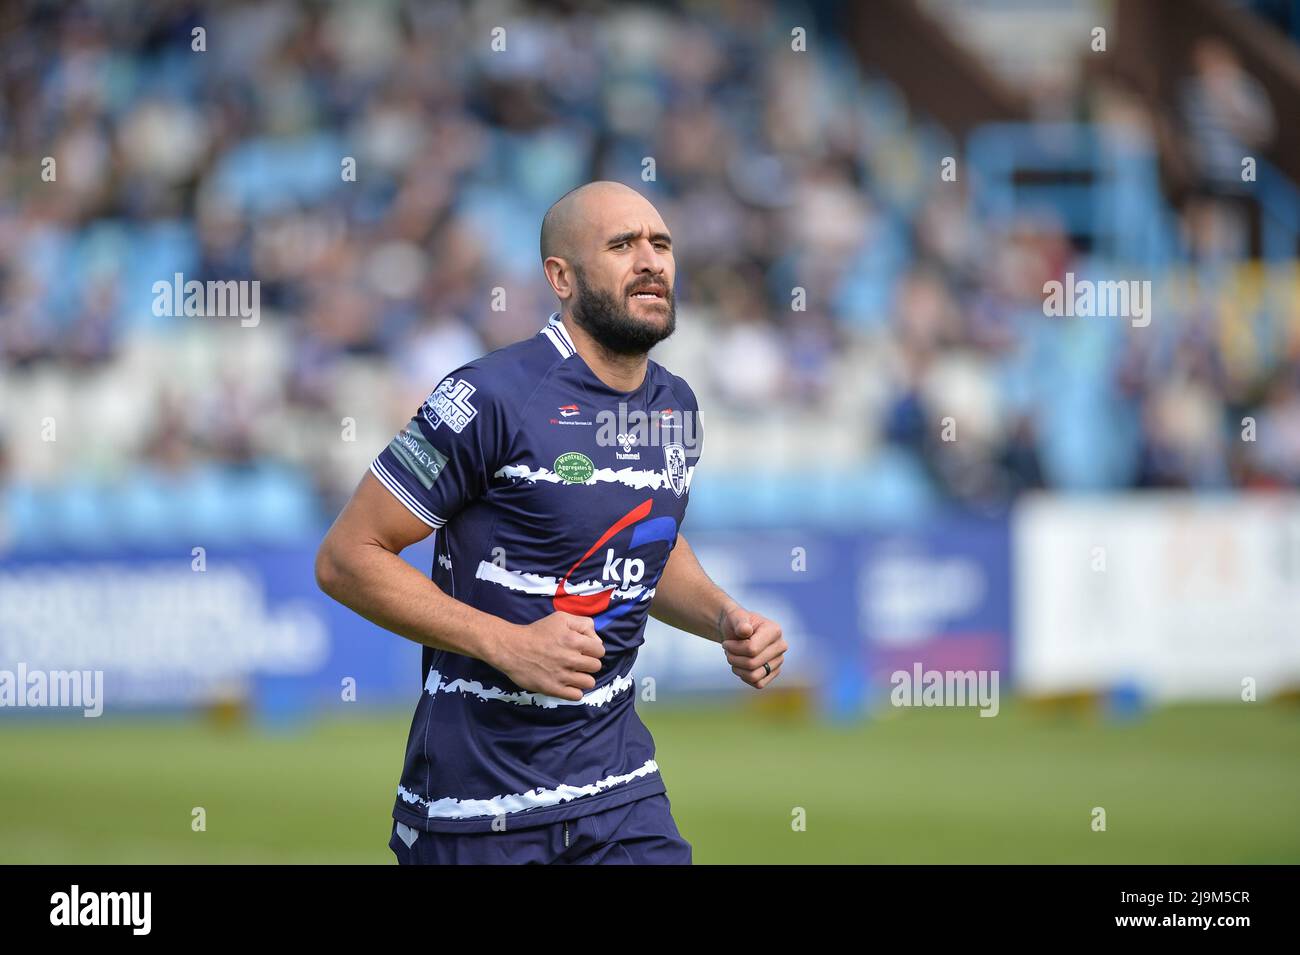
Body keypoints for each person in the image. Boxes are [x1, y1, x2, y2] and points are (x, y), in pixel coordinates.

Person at [315, 180, 788, 864]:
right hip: (476, 808)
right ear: (560, 277)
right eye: (622, 245)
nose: (651, 260)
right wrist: (505, 642)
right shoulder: (487, 396)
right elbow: (346, 556)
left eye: (661, 243)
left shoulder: (677, 407)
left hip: (620, 792)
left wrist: (723, 617)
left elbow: (641, 541)